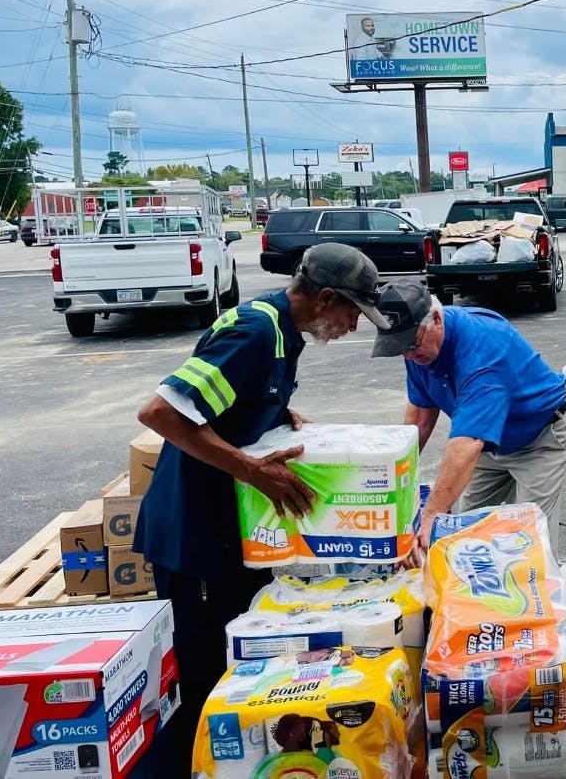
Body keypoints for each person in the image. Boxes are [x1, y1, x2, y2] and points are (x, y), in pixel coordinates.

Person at [132, 242, 388, 775]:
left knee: (241, 664)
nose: (353, 327)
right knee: (205, 675)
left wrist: (276, 408)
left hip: (230, 533)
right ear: (323, 299)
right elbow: (160, 412)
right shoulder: (254, 332)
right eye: (351, 313)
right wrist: (253, 470)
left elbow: (230, 397)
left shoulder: (281, 333)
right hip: (195, 537)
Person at [371, 279, 566, 559]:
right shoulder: (418, 348)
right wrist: (393, 482)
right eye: (400, 348)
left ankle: (537, 597)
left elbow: (467, 442)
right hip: (489, 446)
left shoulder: (482, 349)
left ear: (436, 318)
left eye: (412, 344)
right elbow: (420, 415)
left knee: (529, 542)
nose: (409, 354)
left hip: (540, 439)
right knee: (466, 535)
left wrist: (432, 514)